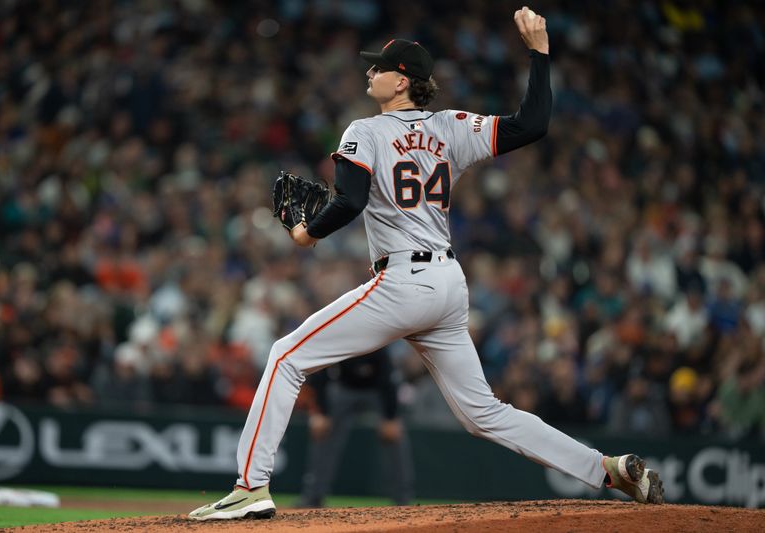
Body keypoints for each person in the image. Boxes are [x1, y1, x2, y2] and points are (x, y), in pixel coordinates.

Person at [189, 7, 664, 521]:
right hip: (446, 284)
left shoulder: (364, 131)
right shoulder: (452, 126)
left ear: (404, 81)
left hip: (403, 282)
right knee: (484, 413)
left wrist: (306, 233)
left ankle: (250, 487)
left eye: (380, 67)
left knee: (285, 357)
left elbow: (347, 201)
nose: (370, 73)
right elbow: (533, 123)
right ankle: (608, 470)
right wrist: (540, 53)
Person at [299, 347, 413, 507]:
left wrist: (390, 417)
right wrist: (321, 412)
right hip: (344, 388)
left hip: (377, 390)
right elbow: (321, 373)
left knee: (395, 434)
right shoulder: (338, 337)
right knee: (322, 433)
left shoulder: (377, 342)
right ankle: (313, 497)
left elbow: (388, 379)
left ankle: (402, 499)